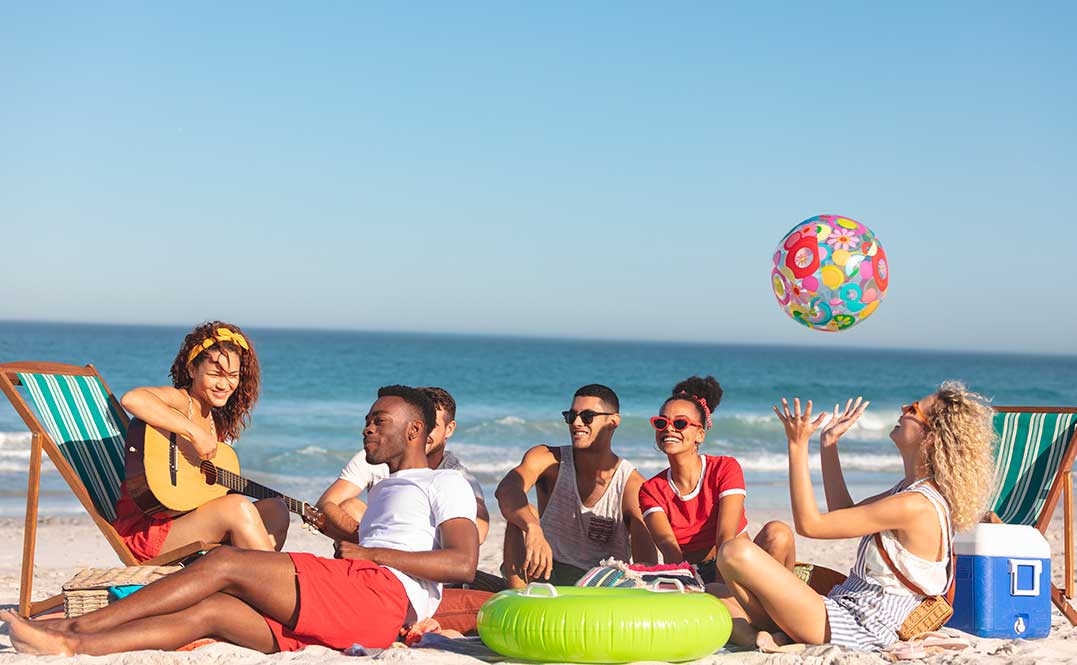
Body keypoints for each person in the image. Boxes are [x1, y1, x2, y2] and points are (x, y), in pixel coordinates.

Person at [1, 385, 479, 655]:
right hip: (363, 608)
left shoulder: (444, 483)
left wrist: (369, 552)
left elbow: (460, 563)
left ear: (416, 431)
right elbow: (390, 541)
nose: (366, 428)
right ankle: (75, 650)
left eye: (379, 421)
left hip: (378, 596)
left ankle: (73, 630)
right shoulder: (385, 486)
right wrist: (348, 535)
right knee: (211, 613)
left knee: (226, 563)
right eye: (368, 419)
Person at [706, 383, 995, 652]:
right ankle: (767, 633)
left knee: (735, 552)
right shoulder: (910, 491)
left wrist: (797, 445)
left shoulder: (914, 505)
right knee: (715, 590)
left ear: (930, 437)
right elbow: (843, 512)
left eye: (913, 409)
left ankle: (770, 630)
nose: (903, 409)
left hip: (859, 628)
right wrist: (828, 443)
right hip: (842, 609)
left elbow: (810, 525)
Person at [112, 322, 289, 560]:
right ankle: (273, 581)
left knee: (276, 509)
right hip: (151, 531)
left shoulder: (215, 419)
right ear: (193, 370)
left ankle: (247, 574)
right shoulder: (181, 402)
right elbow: (134, 399)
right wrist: (194, 433)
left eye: (232, 376)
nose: (224, 385)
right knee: (236, 507)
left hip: (186, 520)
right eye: (215, 374)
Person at [496, 384, 656, 588]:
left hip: (596, 587)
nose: (577, 423)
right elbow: (507, 489)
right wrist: (532, 527)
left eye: (587, 416)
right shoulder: (549, 460)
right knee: (519, 514)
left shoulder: (631, 484)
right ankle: (518, 598)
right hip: (544, 575)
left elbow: (645, 566)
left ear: (613, 422)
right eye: (570, 416)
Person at [639, 376, 795, 581]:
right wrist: (689, 585)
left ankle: (772, 607)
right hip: (692, 573)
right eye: (662, 422)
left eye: (680, 423)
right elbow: (670, 549)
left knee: (778, 533)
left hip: (739, 567)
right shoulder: (651, 490)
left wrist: (724, 588)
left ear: (700, 434)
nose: (669, 428)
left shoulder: (724, 468)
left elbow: (725, 538)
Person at [316, 386, 490, 544]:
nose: (424, 432)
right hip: (373, 545)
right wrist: (368, 539)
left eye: (432, 426)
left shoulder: (456, 475)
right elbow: (326, 503)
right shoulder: (375, 457)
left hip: (421, 552)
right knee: (349, 507)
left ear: (449, 429)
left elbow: (478, 534)